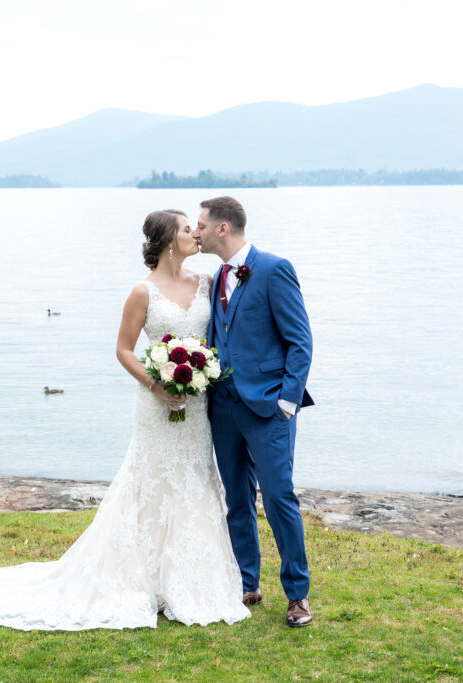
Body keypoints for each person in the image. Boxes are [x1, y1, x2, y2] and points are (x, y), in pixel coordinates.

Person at [0, 209, 250, 630]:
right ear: (169, 241)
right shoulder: (143, 293)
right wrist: (159, 385)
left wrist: (199, 376)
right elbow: (123, 349)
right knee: (151, 479)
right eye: (186, 228)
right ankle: (142, 580)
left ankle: (191, 578)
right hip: (157, 406)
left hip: (195, 407)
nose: (195, 232)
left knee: (194, 477)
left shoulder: (207, 283)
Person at [192, 196, 316, 628]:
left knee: (280, 498)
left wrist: (287, 401)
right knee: (237, 500)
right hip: (223, 407)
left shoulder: (273, 268)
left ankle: (297, 596)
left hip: (268, 409)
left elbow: (301, 341)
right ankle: (247, 582)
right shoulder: (216, 276)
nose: (196, 231)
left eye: (201, 224)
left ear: (222, 228)